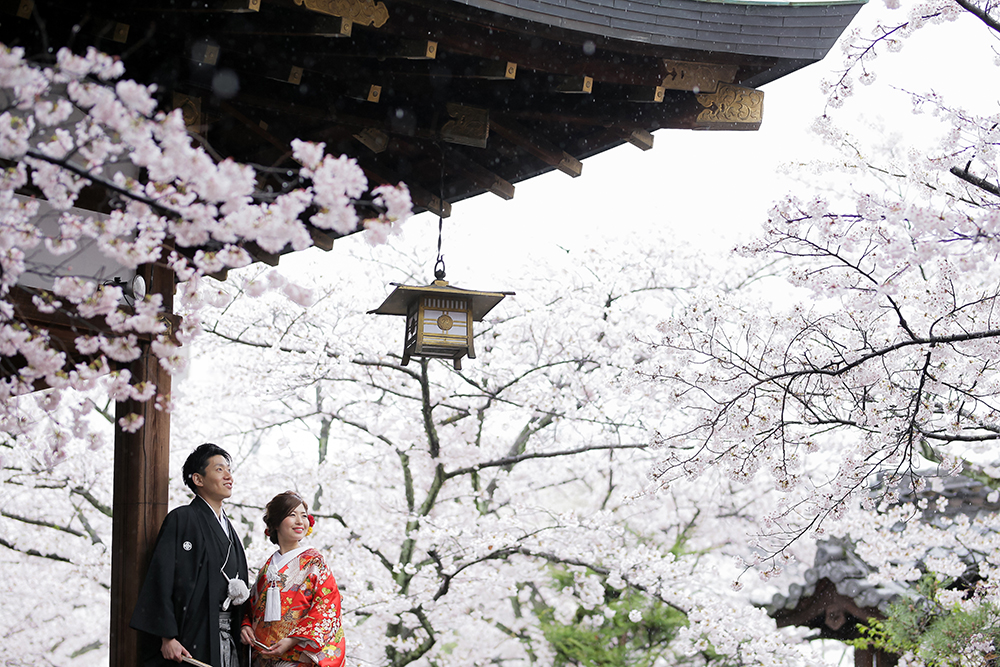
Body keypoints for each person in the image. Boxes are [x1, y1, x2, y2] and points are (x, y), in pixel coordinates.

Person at [130, 443, 251, 667]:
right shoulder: (182, 519)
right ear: (198, 479)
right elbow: (161, 577)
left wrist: (245, 623)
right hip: (191, 634)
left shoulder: (230, 530)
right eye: (219, 469)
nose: (228, 476)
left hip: (227, 637)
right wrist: (167, 636)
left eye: (229, 470)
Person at [240, 491, 345, 667]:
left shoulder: (314, 562)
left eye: (304, 516)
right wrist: (245, 625)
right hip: (263, 658)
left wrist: (293, 640)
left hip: (296, 657)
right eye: (292, 515)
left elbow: (328, 605)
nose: (300, 521)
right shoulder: (267, 567)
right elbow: (250, 608)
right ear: (276, 523)